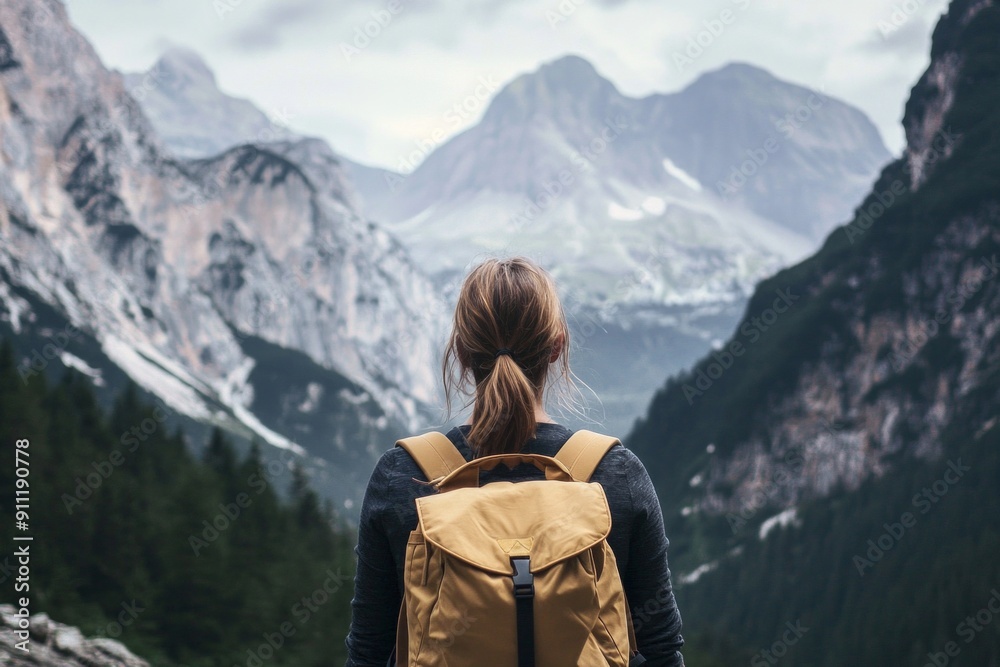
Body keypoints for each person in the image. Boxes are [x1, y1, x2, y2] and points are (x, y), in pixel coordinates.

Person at [344, 256, 685, 666]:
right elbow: (661, 647)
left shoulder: (403, 476)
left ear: (462, 353)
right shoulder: (614, 475)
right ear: (558, 347)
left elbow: (369, 652)